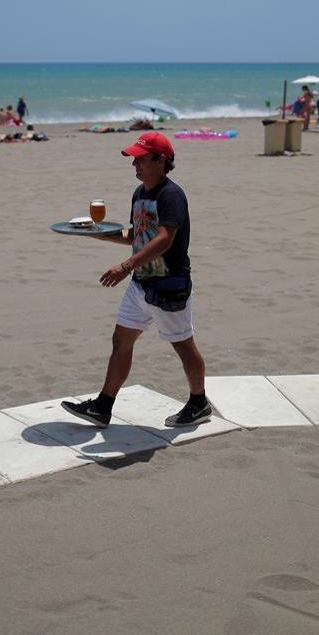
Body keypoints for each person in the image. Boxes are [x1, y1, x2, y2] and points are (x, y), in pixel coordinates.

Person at [62, 131, 212, 429]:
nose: (135, 165)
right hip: (141, 284)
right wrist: (99, 234)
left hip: (168, 285)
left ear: (161, 160)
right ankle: (103, 406)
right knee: (121, 340)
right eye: (134, 160)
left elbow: (165, 238)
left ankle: (199, 402)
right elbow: (137, 235)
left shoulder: (171, 195)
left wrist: (126, 265)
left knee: (183, 344)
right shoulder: (140, 194)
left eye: (141, 159)